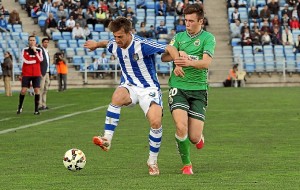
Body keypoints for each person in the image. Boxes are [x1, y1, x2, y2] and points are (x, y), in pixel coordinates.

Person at [84, 16, 180, 176]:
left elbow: (169, 49)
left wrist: (177, 63)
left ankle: (152, 161)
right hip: (129, 86)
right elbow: (106, 43)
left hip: (149, 89)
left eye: (120, 36)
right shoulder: (115, 44)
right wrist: (95, 45)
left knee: (156, 122)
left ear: (130, 33)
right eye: (115, 36)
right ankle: (107, 139)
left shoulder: (142, 45)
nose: (117, 40)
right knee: (117, 96)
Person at [161, 3, 216, 175]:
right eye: (186, 20)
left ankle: (198, 137)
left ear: (201, 21)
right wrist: (177, 55)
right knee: (180, 126)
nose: (187, 24)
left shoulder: (208, 38)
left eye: (191, 21)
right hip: (178, 87)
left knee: (193, 137)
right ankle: (187, 165)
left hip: (199, 89)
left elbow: (206, 63)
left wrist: (188, 61)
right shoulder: (178, 38)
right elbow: (164, 57)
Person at [17, 35, 43, 115]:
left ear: (36, 42)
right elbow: (26, 60)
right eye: (30, 40)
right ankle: (20, 106)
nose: (32, 42)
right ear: (28, 41)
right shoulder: (24, 50)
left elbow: (40, 60)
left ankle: (36, 109)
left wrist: (35, 52)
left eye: (33, 40)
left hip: (36, 73)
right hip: (27, 73)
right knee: (23, 90)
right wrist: (35, 60)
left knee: (37, 90)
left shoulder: (39, 50)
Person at [38, 38, 51, 110]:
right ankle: (39, 105)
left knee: (46, 88)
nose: (46, 43)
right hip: (42, 72)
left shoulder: (47, 51)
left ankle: (44, 104)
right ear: (42, 43)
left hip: (47, 72)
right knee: (41, 88)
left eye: (47, 42)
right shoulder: (40, 50)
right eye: (45, 42)